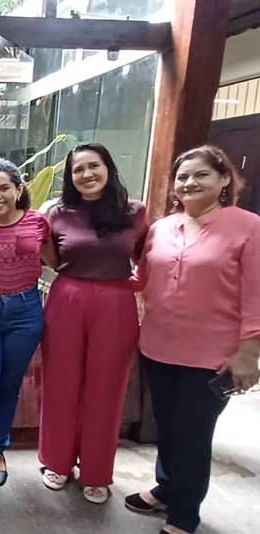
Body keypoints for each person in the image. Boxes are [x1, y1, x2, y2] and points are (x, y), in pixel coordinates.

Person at [125, 145, 260, 534]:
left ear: (224, 179)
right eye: (182, 177)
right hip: (159, 346)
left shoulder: (248, 226)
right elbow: (142, 279)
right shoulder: (162, 228)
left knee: (193, 434)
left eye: (201, 174)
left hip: (212, 355)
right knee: (167, 426)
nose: (189, 183)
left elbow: (255, 294)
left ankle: (184, 514)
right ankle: (166, 487)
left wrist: (249, 353)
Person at [38, 143, 147, 504]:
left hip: (116, 302)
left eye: (93, 166)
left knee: (107, 389)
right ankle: (56, 461)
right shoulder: (57, 213)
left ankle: (97, 471)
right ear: (70, 177)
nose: (86, 174)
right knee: (61, 383)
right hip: (67, 299)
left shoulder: (135, 211)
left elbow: (146, 258)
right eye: (78, 169)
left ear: (108, 168)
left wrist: (140, 289)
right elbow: (52, 260)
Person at [0, 159, 57, 486]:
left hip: (25, 311)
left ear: (19, 189)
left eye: (4, 188)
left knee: (10, 383)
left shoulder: (38, 222)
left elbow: (55, 261)